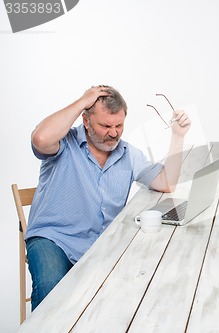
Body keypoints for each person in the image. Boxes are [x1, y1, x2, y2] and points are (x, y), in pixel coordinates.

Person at [25, 85, 191, 310]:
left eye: (118, 125)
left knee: (139, 289)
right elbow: (41, 138)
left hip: (98, 245)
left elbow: (166, 182)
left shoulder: (128, 154)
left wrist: (177, 136)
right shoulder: (64, 142)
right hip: (53, 239)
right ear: (85, 120)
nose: (113, 133)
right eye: (105, 125)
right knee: (51, 291)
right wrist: (83, 100)